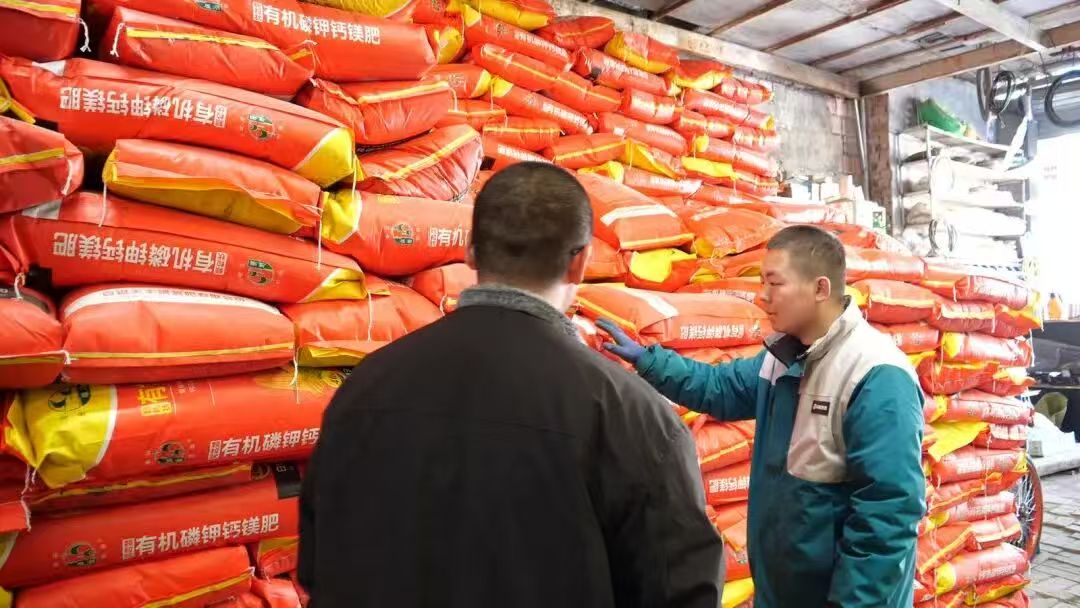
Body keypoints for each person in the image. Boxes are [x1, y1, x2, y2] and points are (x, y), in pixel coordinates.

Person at [299, 162, 725, 608]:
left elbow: (318, 564)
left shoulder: (365, 388)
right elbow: (683, 591)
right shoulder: (632, 417)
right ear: (579, 263)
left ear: (470, 252)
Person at [599, 225, 925, 608]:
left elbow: (889, 514)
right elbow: (719, 387)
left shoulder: (875, 375)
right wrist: (649, 361)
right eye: (761, 282)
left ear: (820, 288)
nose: (763, 296)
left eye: (775, 283)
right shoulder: (784, 358)